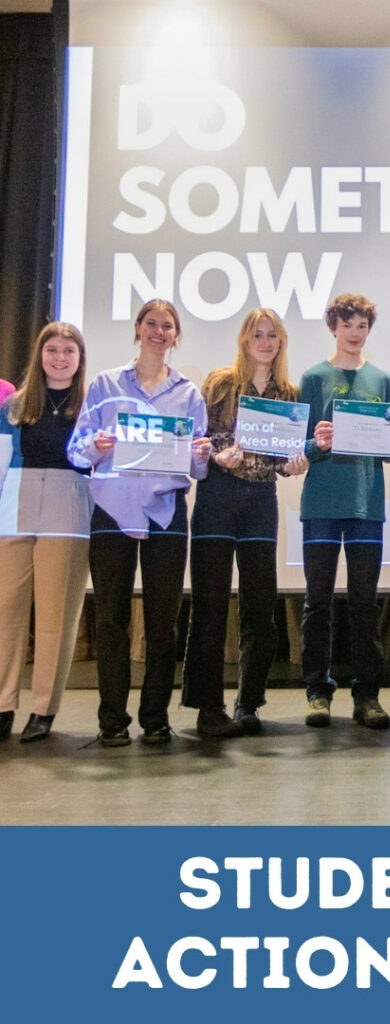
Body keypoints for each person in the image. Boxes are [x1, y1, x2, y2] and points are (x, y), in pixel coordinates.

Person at [68, 299, 211, 746]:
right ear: (138, 328)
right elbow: (76, 451)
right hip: (113, 508)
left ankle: (155, 718)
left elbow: (197, 467)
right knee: (110, 617)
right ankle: (112, 720)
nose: (159, 331)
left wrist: (200, 456)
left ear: (175, 335)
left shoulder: (189, 393)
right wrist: (98, 444)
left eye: (167, 326)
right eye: (152, 323)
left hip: (166, 511)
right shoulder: (106, 384)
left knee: (163, 621)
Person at [181, 309, 307, 738]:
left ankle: (248, 703)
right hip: (217, 496)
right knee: (210, 605)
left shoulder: (287, 394)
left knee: (259, 606)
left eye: (273, 335)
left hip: (259, 500)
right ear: (245, 339)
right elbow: (200, 435)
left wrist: (296, 463)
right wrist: (218, 453)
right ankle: (208, 707)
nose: (266, 341)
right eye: (259, 334)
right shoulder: (220, 383)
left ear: (281, 341)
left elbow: (282, 460)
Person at [298, 293, 390, 732]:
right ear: (334, 327)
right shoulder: (312, 377)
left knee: (366, 605)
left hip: (367, 504)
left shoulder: (383, 380)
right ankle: (317, 692)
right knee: (317, 603)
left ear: (369, 328)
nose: (354, 331)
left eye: (362, 324)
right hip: (322, 504)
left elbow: (384, 451)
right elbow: (301, 445)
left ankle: (367, 695)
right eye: (347, 324)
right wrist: (317, 442)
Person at [0, 323, 91, 742]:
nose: (59, 357)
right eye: (51, 349)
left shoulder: (93, 407)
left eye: (68, 351)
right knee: (5, 612)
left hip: (68, 510)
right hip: (13, 508)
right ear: (39, 355)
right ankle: (2, 706)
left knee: (56, 615)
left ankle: (43, 709)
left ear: (79, 358)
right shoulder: (15, 406)